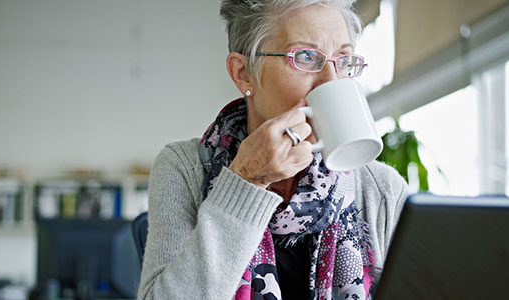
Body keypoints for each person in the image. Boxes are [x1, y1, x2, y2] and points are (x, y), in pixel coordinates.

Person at [137, 1, 407, 299]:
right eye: (306, 56)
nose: (331, 80)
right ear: (244, 73)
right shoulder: (184, 168)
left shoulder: (381, 189)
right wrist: (246, 180)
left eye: (343, 60)